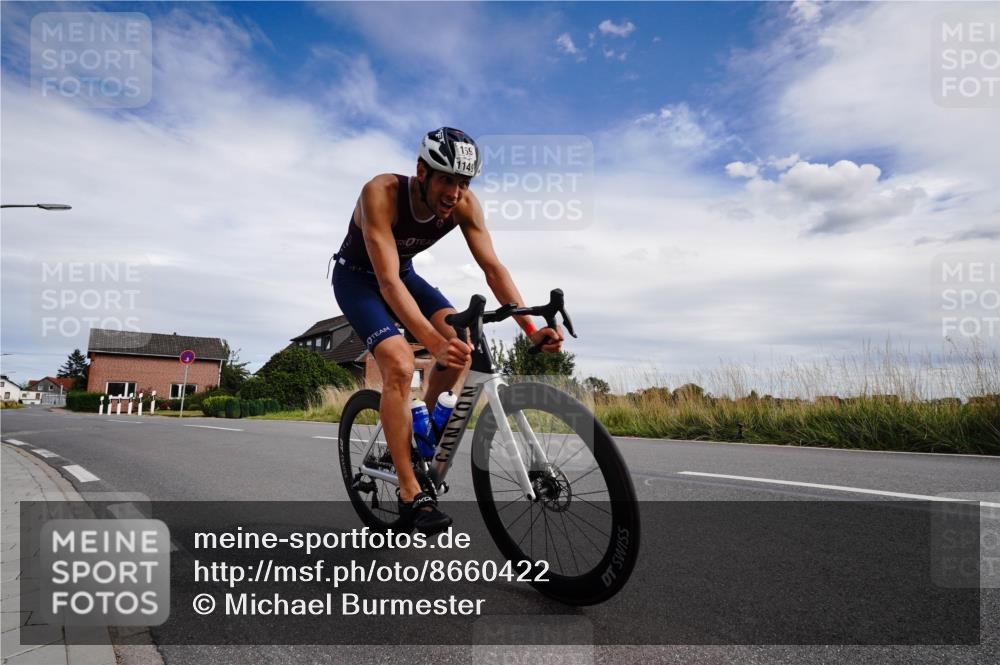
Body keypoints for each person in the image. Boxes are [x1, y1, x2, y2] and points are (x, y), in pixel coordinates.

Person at [331, 127, 564, 534]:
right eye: (446, 180)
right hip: (359, 281)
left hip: (406, 277)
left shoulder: (464, 205)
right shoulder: (381, 193)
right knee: (401, 364)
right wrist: (434, 344)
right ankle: (410, 496)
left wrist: (530, 329)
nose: (454, 193)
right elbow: (386, 284)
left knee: (464, 345)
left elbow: (493, 268)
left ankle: (421, 433)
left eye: (464, 183)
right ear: (422, 171)